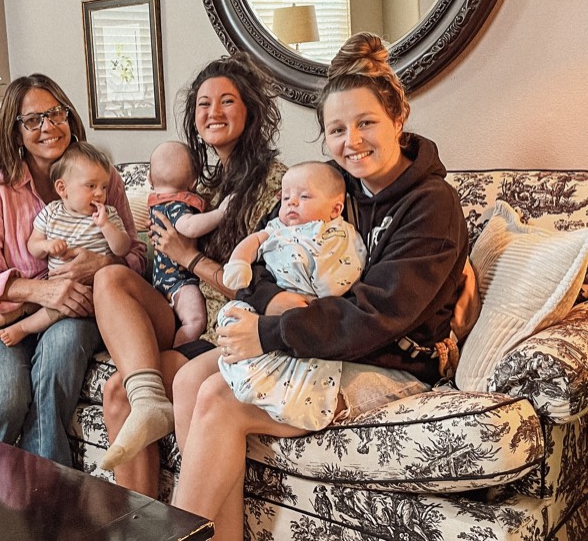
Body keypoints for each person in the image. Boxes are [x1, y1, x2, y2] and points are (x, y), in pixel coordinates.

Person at [171, 32, 470, 540]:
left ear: (398, 120)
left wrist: (269, 332)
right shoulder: (329, 186)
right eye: (337, 129)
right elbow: (258, 258)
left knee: (220, 399)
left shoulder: (431, 205)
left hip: (388, 359)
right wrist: (279, 303)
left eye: (366, 122)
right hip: (317, 341)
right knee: (187, 380)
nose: (351, 141)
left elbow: (374, 317)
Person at [91, 52, 286, 487]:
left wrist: (188, 257)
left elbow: (264, 293)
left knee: (115, 392)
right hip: (185, 310)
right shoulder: (205, 186)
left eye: (227, 101)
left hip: (232, 325)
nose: (213, 111)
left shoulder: (277, 185)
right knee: (109, 279)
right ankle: (139, 524)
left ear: (251, 110)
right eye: (203, 103)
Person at [0, 74, 147, 467]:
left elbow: (136, 257)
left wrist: (102, 263)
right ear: (15, 133)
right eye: (32, 120)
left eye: (55, 114)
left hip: (74, 311)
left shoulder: (102, 179)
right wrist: (39, 291)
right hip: (1, 315)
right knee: (5, 397)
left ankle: (49, 500)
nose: (48, 127)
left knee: (59, 358)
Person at [217, 160, 367, 430]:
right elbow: (251, 253)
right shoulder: (277, 228)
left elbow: (348, 272)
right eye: (286, 197)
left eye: (304, 197)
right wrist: (243, 270)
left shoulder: (340, 233)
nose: (291, 203)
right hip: (269, 309)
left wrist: (318, 296)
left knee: (216, 400)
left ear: (336, 208)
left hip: (315, 317)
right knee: (190, 378)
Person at [0, 141, 131, 347]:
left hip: (88, 294)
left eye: (104, 187)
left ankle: (22, 328)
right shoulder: (52, 212)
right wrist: (47, 245)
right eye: (91, 186)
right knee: (18, 307)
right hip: (47, 290)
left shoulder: (108, 215)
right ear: (62, 188)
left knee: (55, 317)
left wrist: (106, 228)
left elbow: (125, 249)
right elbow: (33, 245)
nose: (100, 193)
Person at [147, 140, 232, 347]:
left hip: (160, 279)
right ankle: (177, 350)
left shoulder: (157, 203)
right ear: (194, 182)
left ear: (149, 179)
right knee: (195, 321)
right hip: (178, 281)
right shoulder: (176, 205)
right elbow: (190, 227)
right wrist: (221, 213)